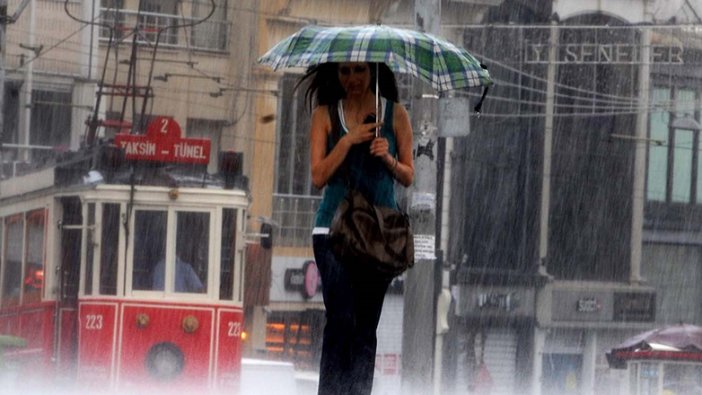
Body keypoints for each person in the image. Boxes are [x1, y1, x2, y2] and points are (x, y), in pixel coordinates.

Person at [302, 61, 414, 395]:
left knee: (365, 329)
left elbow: (408, 175)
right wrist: (347, 141)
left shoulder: (396, 115)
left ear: (373, 73)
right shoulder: (324, 115)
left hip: (379, 237)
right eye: (345, 71)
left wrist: (387, 157)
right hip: (332, 231)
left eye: (360, 71)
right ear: (336, 75)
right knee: (341, 319)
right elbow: (318, 176)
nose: (352, 79)